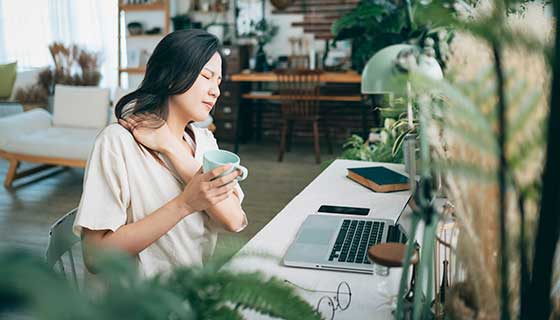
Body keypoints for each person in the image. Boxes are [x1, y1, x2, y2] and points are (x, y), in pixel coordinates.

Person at [73, 29, 247, 278]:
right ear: (171, 76)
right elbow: (95, 257)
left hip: (191, 295)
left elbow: (234, 219)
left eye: (218, 82)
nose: (215, 91)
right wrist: (185, 205)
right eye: (206, 77)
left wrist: (171, 146)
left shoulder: (205, 142)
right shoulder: (117, 143)